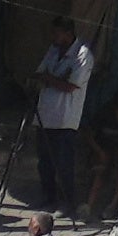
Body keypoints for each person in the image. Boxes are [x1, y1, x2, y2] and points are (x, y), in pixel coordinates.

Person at [31, 31, 97, 216]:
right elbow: (39, 74)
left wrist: (50, 78)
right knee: (44, 162)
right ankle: (48, 198)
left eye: (56, 33)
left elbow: (70, 86)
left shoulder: (83, 55)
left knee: (64, 164)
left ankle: (67, 203)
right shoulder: (53, 50)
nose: (53, 37)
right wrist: (55, 79)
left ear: (66, 33)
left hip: (65, 118)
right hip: (45, 114)